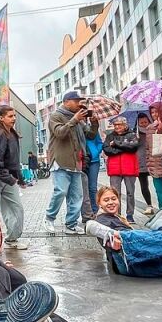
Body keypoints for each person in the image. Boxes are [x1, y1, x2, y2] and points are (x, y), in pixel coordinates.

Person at [84, 187, 162, 277]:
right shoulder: (102, 219)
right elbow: (106, 241)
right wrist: (111, 243)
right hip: (126, 260)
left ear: (118, 200)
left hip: (137, 260)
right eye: (106, 200)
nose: (110, 202)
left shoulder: (117, 218)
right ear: (99, 203)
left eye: (113, 199)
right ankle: (161, 229)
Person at [44, 91, 96, 235]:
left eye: (81, 101)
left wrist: (95, 123)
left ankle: (71, 224)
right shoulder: (56, 116)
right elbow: (60, 133)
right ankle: (49, 218)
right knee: (60, 191)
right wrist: (74, 120)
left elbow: (90, 135)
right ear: (66, 101)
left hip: (76, 162)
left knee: (77, 195)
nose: (80, 103)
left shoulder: (79, 119)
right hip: (60, 161)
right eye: (76, 100)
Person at [0, 104, 28, 250]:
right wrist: (10, 179)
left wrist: (19, 179)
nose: (14, 118)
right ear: (1, 119)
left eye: (14, 116)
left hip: (6, 175)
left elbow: (15, 161)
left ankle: (12, 239)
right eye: (10, 116)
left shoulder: (13, 134)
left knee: (17, 208)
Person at [102, 116, 140, 222]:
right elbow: (106, 149)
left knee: (130, 192)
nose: (117, 127)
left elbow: (133, 147)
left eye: (119, 124)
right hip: (114, 168)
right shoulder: (110, 136)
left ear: (125, 125)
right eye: (115, 125)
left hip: (129, 167)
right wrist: (122, 149)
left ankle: (130, 215)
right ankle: (116, 214)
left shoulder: (132, 135)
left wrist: (116, 144)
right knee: (115, 194)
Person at [82, 122, 104, 220]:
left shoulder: (93, 130)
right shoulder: (78, 128)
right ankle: (86, 212)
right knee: (83, 188)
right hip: (82, 161)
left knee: (92, 187)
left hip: (94, 161)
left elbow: (99, 142)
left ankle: (95, 210)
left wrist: (96, 152)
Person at [134, 114, 154, 215]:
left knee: (158, 184)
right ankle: (149, 205)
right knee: (144, 185)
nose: (144, 124)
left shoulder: (153, 130)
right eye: (141, 123)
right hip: (140, 161)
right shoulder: (134, 133)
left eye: (145, 122)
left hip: (154, 161)